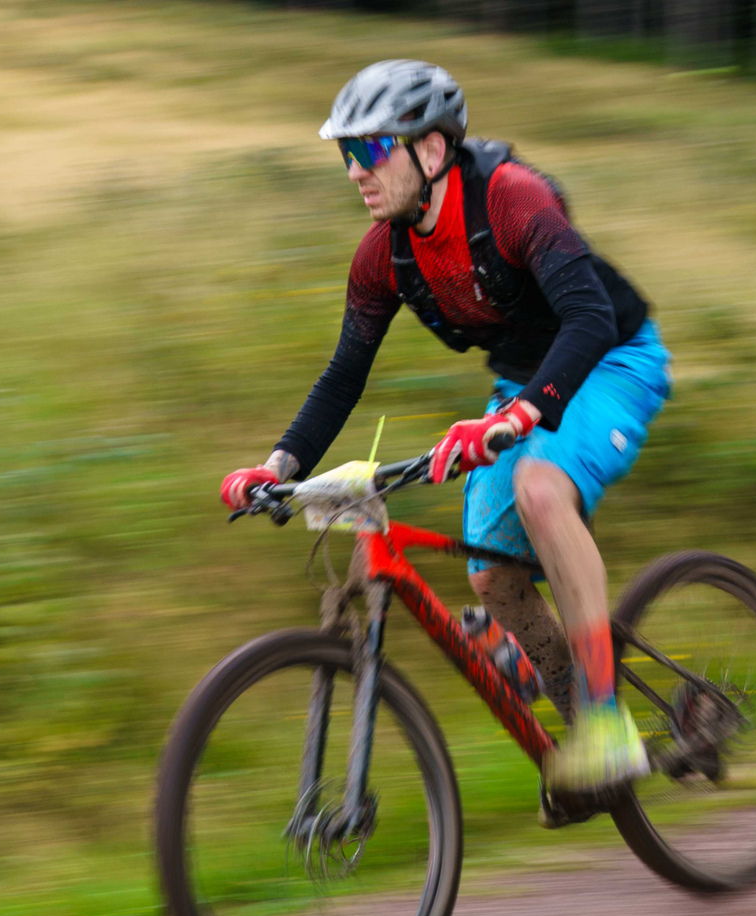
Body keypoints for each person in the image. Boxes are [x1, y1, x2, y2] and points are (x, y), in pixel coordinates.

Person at [218, 59, 672, 822]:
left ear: (430, 150)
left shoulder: (513, 200)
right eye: (347, 154)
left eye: (370, 150)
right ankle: (588, 750)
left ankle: (605, 726)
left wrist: (519, 418)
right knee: (493, 581)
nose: (355, 172)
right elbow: (343, 376)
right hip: (524, 385)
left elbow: (590, 318)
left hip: (611, 359)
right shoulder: (384, 255)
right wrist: (277, 466)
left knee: (539, 490)